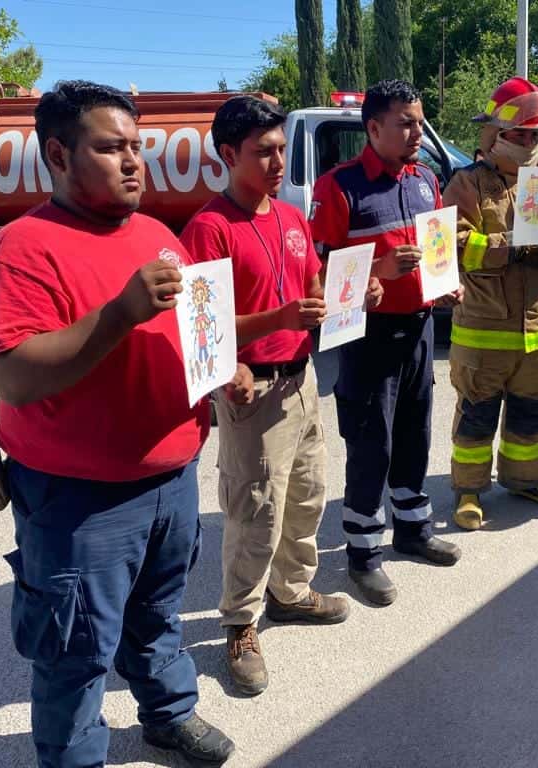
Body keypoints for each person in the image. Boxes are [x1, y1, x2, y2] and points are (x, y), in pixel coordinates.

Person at [0, 81, 250, 767]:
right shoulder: (21, 248)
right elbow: (14, 375)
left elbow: (192, 334)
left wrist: (222, 373)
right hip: (79, 500)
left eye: (136, 147)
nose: (133, 162)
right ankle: (73, 758)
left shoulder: (157, 234)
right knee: (74, 650)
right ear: (60, 154)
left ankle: (168, 714)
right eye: (110, 147)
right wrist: (119, 313)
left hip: (170, 479)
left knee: (157, 619)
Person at [180, 96, 381, 695]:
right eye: (262, 152)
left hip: (303, 379)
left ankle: (290, 592)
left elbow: (315, 296)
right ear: (227, 155)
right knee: (255, 512)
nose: (276, 162)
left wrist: (357, 297)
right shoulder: (209, 229)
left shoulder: (291, 220)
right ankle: (240, 623)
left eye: (281, 150)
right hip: (254, 394)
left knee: (307, 498)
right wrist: (275, 324)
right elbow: (202, 327)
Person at [310, 79, 463, 606]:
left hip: (419, 327)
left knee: (416, 431)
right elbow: (318, 271)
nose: (417, 131)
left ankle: (413, 528)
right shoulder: (340, 187)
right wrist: (379, 267)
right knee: (371, 441)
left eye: (420, 121)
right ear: (373, 128)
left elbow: (436, 249)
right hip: (367, 335)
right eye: (406, 122)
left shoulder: (424, 181)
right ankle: (363, 554)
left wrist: (446, 285)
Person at [441, 77, 538, 530]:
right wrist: (509, 243)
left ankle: (523, 480)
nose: (529, 143)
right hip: (484, 332)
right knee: (476, 418)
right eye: (520, 134)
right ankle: (468, 491)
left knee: (531, 416)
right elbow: (450, 245)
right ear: (494, 135)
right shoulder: (467, 184)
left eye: (536, 135)